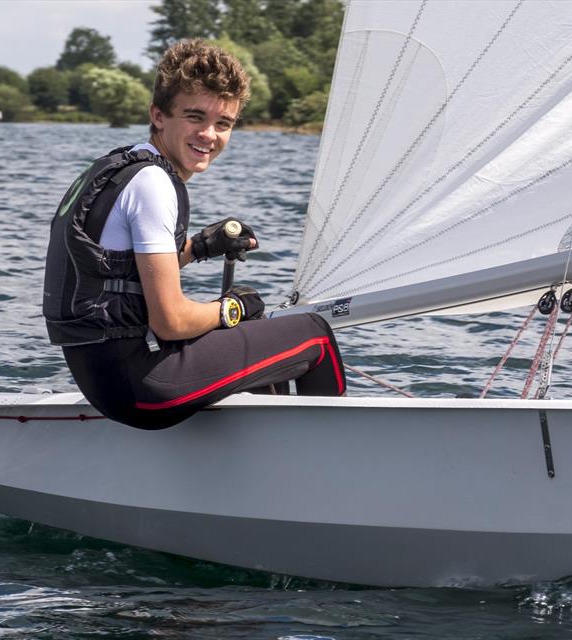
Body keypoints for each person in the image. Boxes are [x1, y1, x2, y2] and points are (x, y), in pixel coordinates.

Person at [42, 39, 345, 429]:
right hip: (143, 388)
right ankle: (330, 463)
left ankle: (262, 446)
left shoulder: (121, 167)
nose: (209, 134)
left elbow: (121, 269)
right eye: (195, 117)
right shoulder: (153, 184)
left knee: (250, 325)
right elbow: (169, 322)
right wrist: (231, 308)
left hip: (104, 379)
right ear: (158, 115)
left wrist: (201, 247)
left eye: (223, 124)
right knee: (313, 333)